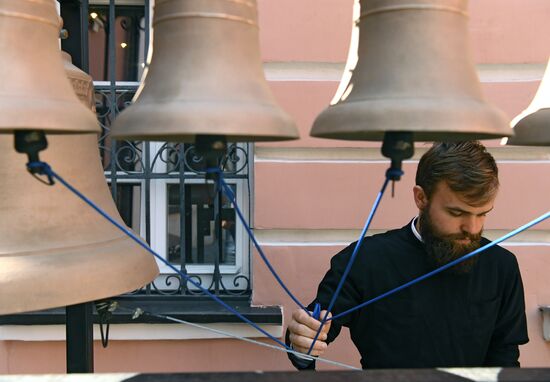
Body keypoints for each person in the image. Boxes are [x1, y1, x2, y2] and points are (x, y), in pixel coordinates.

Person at [286, 141, 528, 369]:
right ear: (421, 198)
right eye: (456, 213)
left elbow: (505, 359)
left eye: (482, 214)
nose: (472, 228)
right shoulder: (365, 259)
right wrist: (301, 341)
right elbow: (311, 334)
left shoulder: (501, 266)